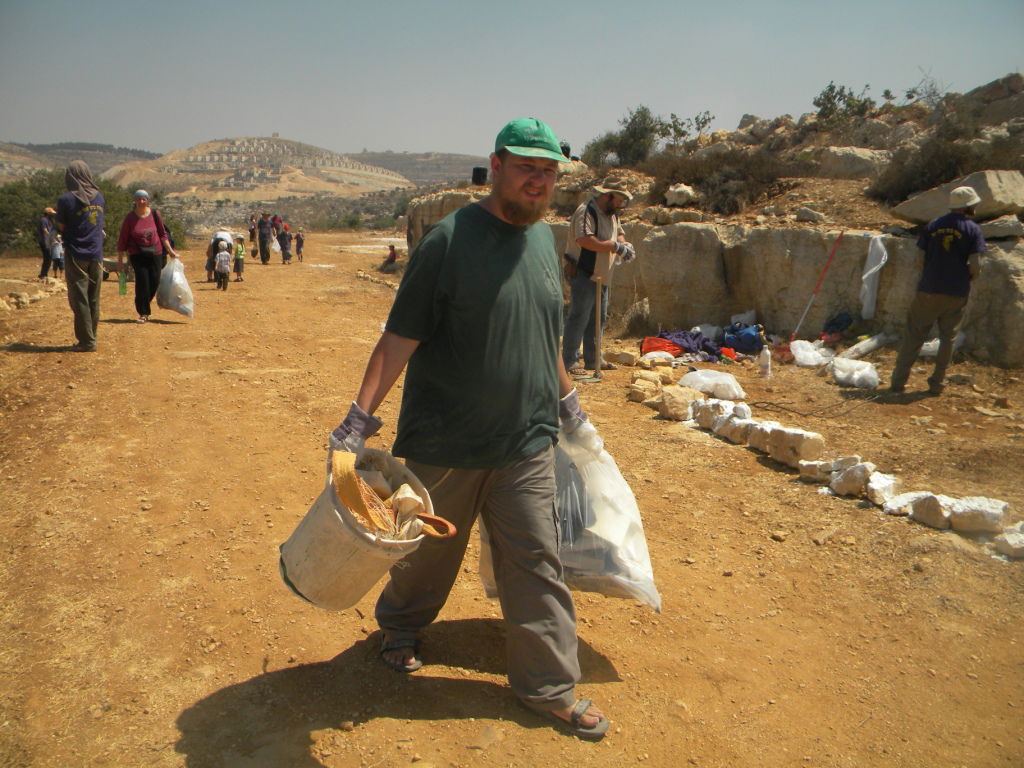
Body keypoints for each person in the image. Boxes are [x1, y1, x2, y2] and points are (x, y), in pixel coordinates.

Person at [329, 117, 609, 741]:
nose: (538, 181)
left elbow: (544, 334)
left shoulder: (544, 243)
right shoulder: (449, 240)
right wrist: (358, 418)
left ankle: (549, 687)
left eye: (549, 171)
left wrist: (568, 402)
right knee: (427, 552)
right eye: (526, 167)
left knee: (537, 561)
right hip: (446, 441)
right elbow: (400, 336)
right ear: (497, 166)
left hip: (526, 441)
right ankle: (401, 626)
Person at [889, 185, 987, 395]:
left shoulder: (934, 225)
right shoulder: (973, 229)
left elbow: (919, 259)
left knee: (914, 335)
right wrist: (969, 278)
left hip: (928, 289)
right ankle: (936, 384)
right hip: (956, 292)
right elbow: (976, 265)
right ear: (968, 206)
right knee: (947, 339)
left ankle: (898, 382)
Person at [561, 177, 635, 376]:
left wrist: (624, 245)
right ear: (608, 196)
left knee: (598, 318)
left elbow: (619, 233)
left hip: (603, 274)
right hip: (584, 272)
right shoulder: (586, 211)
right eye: (619, 199)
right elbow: (584, 240)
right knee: (579, 316)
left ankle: (593, 359)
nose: (621, 204)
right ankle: (569, 360)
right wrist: (613, 246)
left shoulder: (612, 213)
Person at [55, 160, 105, 351]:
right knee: (93, 298)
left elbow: (61, 225)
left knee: (79, 299)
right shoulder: (99, 197)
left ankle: (87, 341)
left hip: (76, 253)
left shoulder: (66, 200)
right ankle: (92, 336)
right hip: (96, 253)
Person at [116, 190, 179, 323]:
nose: (141, 201)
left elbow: (162, 234)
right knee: (142, 282)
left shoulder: (155, 214)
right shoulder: (130, 218)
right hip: (137, 254)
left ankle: (144, 302)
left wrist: (170, 251)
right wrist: (120, 261)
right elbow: (123, 239)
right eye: (138, 199)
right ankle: (143, 312)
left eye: (143, 199)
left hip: (156, 252)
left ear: (147, 200)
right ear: (135, 201)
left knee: (155, 281)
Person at [37, 207, 56, 280]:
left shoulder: (50, 221)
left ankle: (44, 274)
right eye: (52, 213)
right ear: (48, 213)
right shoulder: (43, 220)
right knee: (47, 258)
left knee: (48, 258)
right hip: (44, 241)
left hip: (48, 242)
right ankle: (43, 275)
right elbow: (45, 230)